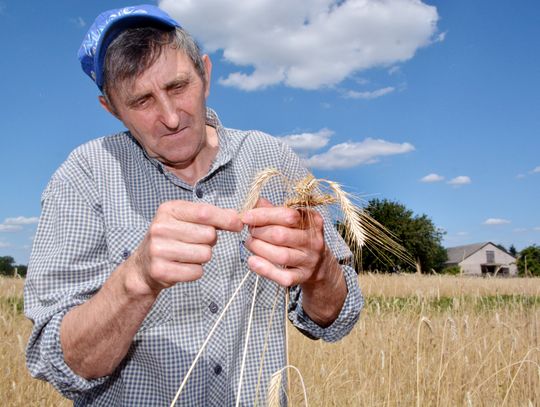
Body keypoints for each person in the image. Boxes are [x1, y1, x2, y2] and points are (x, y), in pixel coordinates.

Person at [24, 5, 362, 406]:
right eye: (141, 100)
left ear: (205, 73)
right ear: (110, 108)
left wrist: (320, 270)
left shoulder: (273, 159)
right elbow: (58, 362)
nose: (170, 117)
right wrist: (137, 280)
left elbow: (337, 319)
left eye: (178, 86)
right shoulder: (84, 177)